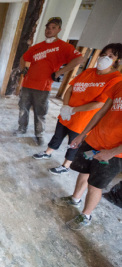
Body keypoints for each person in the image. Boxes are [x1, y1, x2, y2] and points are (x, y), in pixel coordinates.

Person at [33, 43, 122, 175]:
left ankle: (65, 165)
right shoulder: (88, 72)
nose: (105, 58)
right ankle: (48, 153)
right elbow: (70, 89)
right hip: (67, 113)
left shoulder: (115, 79)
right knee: (58, 135)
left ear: (118, 61)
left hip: (83, 120)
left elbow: (100, 104)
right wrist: (65, 106)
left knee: (73, 144)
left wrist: (73, 110)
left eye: (110, 56)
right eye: (103, 55)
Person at [54, 80, 122, 230]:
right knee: (84, 172)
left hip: (114, 154)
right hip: (94, 140)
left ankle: (86, 215)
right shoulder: (120, 85)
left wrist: (111, 152)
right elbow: (101, 112)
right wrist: (83, 134)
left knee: (95, 185)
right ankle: (75, 199)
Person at [17, 17, 84, 145]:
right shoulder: (37, 47)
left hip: (43, 86)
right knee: (23, 108)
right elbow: (23, 58)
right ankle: (21, 128)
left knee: (40, 112)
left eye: (53, 28)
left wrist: (60, 72)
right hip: (27, 84)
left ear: (59, 29)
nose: (49, 30)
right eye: (48, 28)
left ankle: (39, 135)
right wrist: (23, 70)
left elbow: (79, 59)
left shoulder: (63, 46)